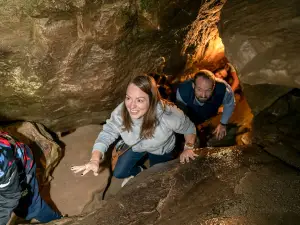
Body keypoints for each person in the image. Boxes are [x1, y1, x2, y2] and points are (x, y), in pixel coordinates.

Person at [71, 74, 198, 187]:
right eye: (128, 98)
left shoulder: (169, 115)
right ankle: (140, 173)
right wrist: (94, 159)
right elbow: (107, 133)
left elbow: (189, 128)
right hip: (136, 146)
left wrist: (188, 148)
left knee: (157, 176)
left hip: (161, 149)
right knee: (120, 173)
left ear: (152, 100)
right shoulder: (121, 112)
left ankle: (151, 172)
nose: (131, 106)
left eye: (139, 100)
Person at [0, 132, 62, 224]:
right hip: (9, 167)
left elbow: (10, 197)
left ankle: (56, 220)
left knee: (30, 206)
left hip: (19, 170)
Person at [176, 69, 235, 141]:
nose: (203, 95)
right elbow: (180, 115)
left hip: (209, 111)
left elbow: (229, 104)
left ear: (213, 87)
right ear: (193, 85)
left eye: (208, 90)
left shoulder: (224, 90)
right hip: (190, 112)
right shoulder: (183, 92)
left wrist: (223, 123)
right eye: (199, 89)